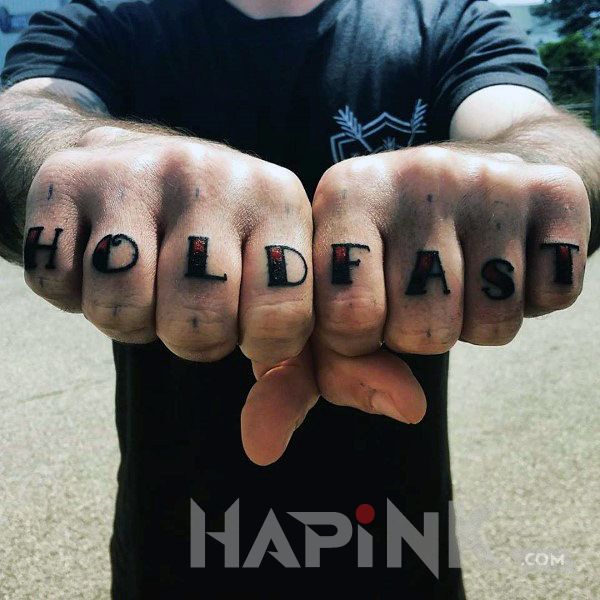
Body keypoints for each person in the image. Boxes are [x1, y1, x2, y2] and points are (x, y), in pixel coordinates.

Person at [0, 0, 598, 597]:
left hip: (398, 533)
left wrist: (514, 170)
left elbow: (540, 130)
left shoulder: (447, 19)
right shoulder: (103, 19)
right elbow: (26, 113)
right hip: (177, 533)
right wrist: (91, 150)